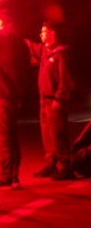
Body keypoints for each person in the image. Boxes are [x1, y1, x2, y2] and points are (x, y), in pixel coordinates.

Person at [26, 22, 75, 180]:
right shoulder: (44, 51)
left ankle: (65, 166)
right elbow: (28, 45)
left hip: (55, 100)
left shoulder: (60, 53)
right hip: (44, 100)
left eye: (44, 32)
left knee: (58, 134)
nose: (41, 35)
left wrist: (59, 98)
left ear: (53, 33)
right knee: (47, 133)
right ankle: (51, 164)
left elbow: (65, 78)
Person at [0, 9, 29, 189]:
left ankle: (7, 175)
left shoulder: (0, 40)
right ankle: (13, 175)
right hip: (11, 96)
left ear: (1, 22)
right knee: (11, 136)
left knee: (1, 137)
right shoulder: (20, 42)